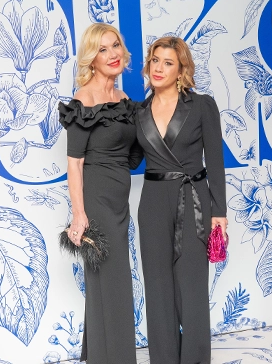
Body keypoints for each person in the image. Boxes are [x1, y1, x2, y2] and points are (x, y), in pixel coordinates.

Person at [135, 36, 228, 363]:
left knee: (191, 290)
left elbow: (215, 160)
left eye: (168, 62)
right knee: (158, 290)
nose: (158, 68)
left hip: (194, 202)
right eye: (154, 60)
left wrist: (220, 213)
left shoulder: (202, 105)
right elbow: (130, 159)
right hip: (153, 204)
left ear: (181, 70)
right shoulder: (138, 111)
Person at [58, 23, 142, 363]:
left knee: (104, 282)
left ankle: (99, 355)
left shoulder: (124, 101)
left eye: (116, 46)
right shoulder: (83, 101)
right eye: (103, 49)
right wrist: (80, 214)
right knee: (116, 282)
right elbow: (74, 165)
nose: (113, 54)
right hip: (97, 202)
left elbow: (135, 153)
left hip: (121, 201)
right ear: (92, 59)